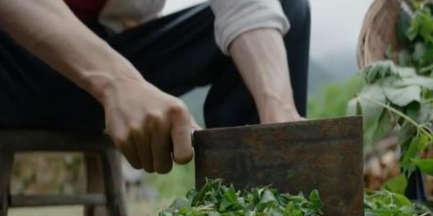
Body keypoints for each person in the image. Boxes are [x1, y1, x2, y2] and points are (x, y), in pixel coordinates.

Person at [0, 0, 310, 174]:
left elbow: (246, 6)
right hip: (15, 65)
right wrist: (116, 82)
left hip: (116, 51)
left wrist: (278, 109)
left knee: (289, 10)